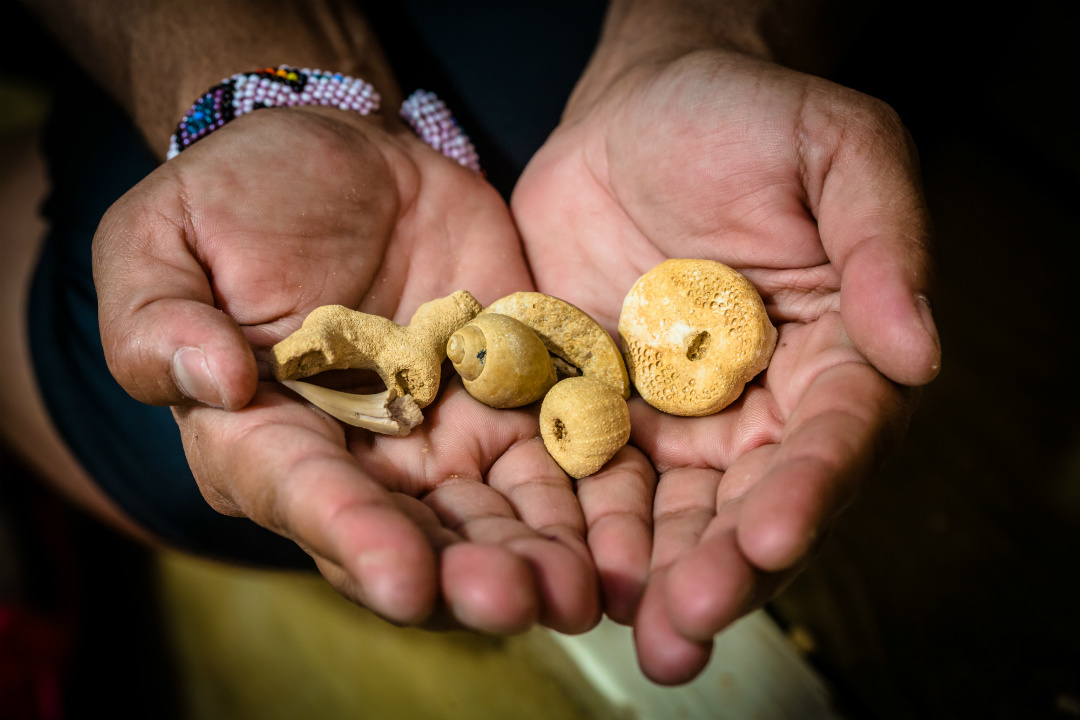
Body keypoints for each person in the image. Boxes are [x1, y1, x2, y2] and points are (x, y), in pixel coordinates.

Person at [5, 0, 939, 686]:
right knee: (158, 391)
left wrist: (711, 31)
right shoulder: (465, 341)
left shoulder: (563, 358)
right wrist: (269, 83)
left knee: (159, 422)